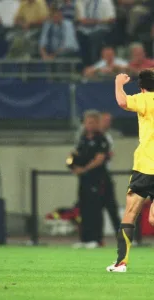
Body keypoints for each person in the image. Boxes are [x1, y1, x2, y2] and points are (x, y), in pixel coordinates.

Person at [107, 70, 154, 272]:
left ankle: (121, 263)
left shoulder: (145, 98)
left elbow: (123, 102)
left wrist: (118, 83)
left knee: (130, 213)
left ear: (142, 87)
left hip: (146, 165)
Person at [68, 110, 110, 248]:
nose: (89, 125)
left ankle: (96, 239)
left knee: (95, 209)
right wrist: (73, 166)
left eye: (92, 122)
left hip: (97, 179)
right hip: (83, 180)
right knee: (83, 208)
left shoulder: (101, 139)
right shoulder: (82, 139)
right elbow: (75, 155)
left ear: (97, 123)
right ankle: (84, 239)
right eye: (87, 122)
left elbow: (99, 159)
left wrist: (84, 169)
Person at [100, 112, 121, 238]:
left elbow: (108, 155)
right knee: (93, 209)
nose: (108, 123)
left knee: (111, 207)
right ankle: (94, 238)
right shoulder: (88, 135)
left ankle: (121, 236)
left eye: (110, 121)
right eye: (106, 120)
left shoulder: (107, 138)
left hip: (104, 175)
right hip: (93, 176)